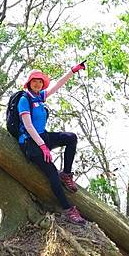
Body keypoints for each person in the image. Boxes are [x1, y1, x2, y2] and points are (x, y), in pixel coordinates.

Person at [18, 63, 87, 225]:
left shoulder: (39, 97)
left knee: (71, 137)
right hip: (31, 143)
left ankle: (67, 174)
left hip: (43, 136)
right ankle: (69, 209)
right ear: (29, 83)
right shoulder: (24, 99)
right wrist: (43, 147)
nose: (38, 84)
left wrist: (72, 71)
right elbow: (28, 126)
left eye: (40, 81)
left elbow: (57, 85)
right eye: (34, 81)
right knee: (52, 173)